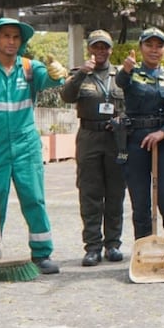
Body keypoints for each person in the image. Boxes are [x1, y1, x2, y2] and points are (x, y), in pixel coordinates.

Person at [0, 17, 68, 274]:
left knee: (34, 199)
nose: (11, 41)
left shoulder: (31, 68)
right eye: (6, 36)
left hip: (26, 145)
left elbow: (51, 80)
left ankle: (42, 254)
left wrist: (57, 75)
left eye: (16, 37)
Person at [116, 27, 164, 272]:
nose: (154, 50)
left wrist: (163, 132)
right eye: (149, 45)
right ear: (141, 47)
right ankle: (143, 253)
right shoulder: (131, 73)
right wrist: (126, 69)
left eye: (159, 45)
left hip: (163, 139)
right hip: (135, 139)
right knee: (140, 201)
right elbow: (121, 82)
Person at [60, 29, 126, 267]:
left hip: (115, 137)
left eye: (104, 47)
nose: (100, 51)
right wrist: (80, 75)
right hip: (89, 136)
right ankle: (93, 247)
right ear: (89, 48)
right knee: (90, 193)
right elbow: (66, 96)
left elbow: (132, 101)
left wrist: (123, 120)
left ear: (110, 49)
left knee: (116, 192)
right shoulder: (81, 74)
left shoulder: (120, 75)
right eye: (96, 47)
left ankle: (113, 244)